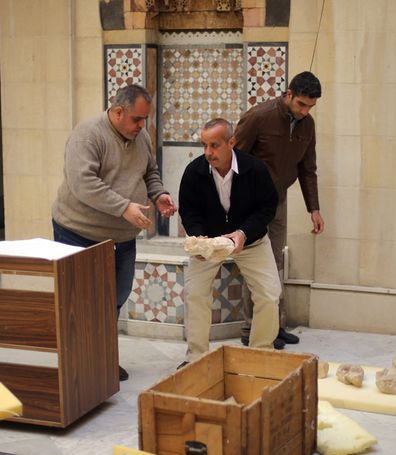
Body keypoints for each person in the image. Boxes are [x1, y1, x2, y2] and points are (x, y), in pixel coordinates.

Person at [51, 84, 177, 381]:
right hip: (78, 231)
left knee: (115, 297)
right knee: (80, 303)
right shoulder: (88, 134)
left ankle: (103, 358)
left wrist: (158, 194)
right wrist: (124, 207)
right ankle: (80, 367)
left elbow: (150, 172)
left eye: (144, 120)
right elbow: (84, 184)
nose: (141, 126)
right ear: (118, 112)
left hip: (122, 235)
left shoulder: (141, 136)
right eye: (136, 119)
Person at [178, 118, 280, 365]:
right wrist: (200, 238)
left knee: (269, 293)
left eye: (214, 145)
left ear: (231, 142)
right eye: (204, 145)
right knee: (194, 293)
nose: (208, 153)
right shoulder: (194, 172)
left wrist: (244, 233)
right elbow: (189, 211)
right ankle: (196, 359)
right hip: (210, 243)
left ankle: (260, 353)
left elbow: (267, 208)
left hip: (251, 241)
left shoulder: (255, 169)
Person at [235, 71, 325, 348]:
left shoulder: (307, 125)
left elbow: (308, 170)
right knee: (256, 264)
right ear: (288, 94)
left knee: (275, 263)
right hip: (251, 203)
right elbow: (234, 158)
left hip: (279, 202)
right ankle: (253, 329)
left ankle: (275, 326)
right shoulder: (259, 116)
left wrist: (314, 209)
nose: (305, 111)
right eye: (301, 104)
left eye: (310, 106)